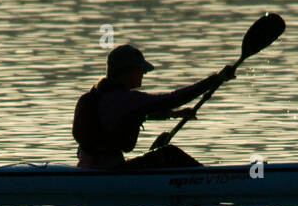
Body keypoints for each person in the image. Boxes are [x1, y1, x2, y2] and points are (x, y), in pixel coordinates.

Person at [73, 44, 236, 170]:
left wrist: (173, 114)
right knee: (169, 154)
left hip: (98, 171)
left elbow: (133, 116)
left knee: (160, 151)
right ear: (126, 72)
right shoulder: (125, 99)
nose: (144, 73)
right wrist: (216, 79)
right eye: (140, 70)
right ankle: (210, 180)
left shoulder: (99, 96)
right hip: (113, 173)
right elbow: (173, 98)